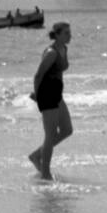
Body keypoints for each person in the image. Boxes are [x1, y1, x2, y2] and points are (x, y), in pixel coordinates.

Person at [28, 22, 73, 180]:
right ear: (58, 35)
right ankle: (45, 173)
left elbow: (59, 72)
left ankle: (36, 155)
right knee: (51, 134)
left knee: (67, 129)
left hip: (57, 93)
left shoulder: (64, 49)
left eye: (70, 32)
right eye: (66, 33)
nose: (70, 36)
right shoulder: (51, 53)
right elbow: (38, 75)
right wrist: (38, 96)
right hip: (47, 94)